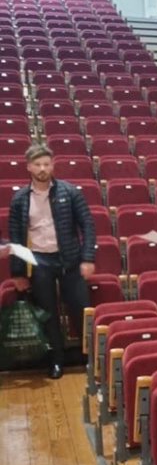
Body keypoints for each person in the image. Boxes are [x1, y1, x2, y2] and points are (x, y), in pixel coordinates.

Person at [7, 143, 96, 378]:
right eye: (38, 164)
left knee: (81, 310)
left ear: (52, 165)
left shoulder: (70, 192)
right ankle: (56, 360)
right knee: (48, 314)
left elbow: (87, 225)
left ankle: (91, 359)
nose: (43, 168)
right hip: (39, 261)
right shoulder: (19, 199)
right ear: (29, 167)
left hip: (70, 259)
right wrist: (17, 274)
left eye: (47, 164)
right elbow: (15, 237)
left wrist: (87, 258)